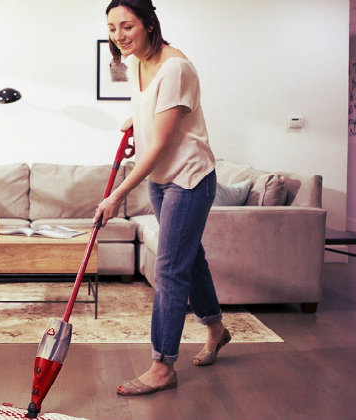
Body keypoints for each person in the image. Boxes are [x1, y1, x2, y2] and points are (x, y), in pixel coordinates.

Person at [94, 0, 232, 396]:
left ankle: (161, 366)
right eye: (112, 28)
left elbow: (160, 144)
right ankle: (217, 329)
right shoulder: (136, 61)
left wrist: (118, 195)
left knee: (169, 267)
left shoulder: (176, 69)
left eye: (127, 26)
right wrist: (135, 121)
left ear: (149, 24)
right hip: (160, 178)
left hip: (189, 178)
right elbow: (152, 114)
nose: (119, 36)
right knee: (192, 259)